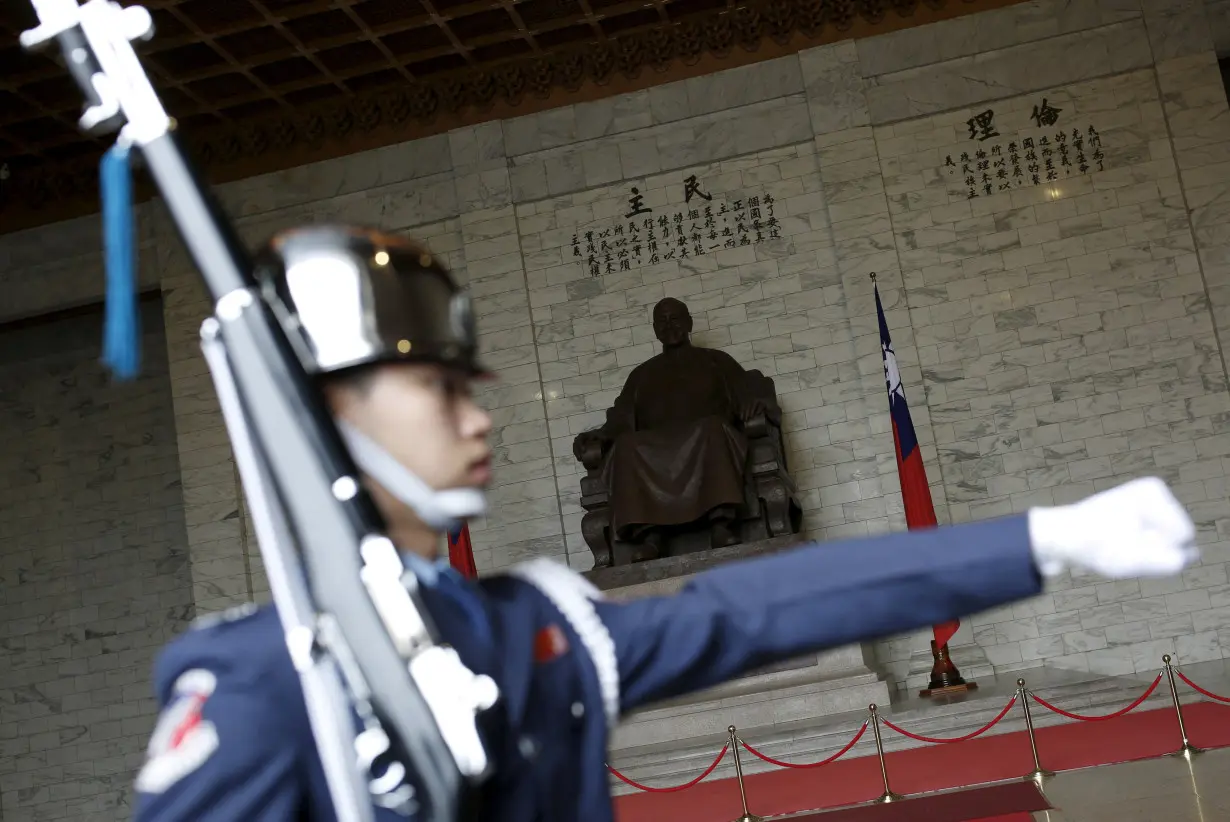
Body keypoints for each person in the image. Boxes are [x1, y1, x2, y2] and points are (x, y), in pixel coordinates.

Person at [131, 225, 1199, 822]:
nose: (476, 413)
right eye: (433, 388)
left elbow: (752, 607)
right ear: (327, 425)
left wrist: (1037, 541)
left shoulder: (531, 631)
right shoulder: (263, 689)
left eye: (470, 381)